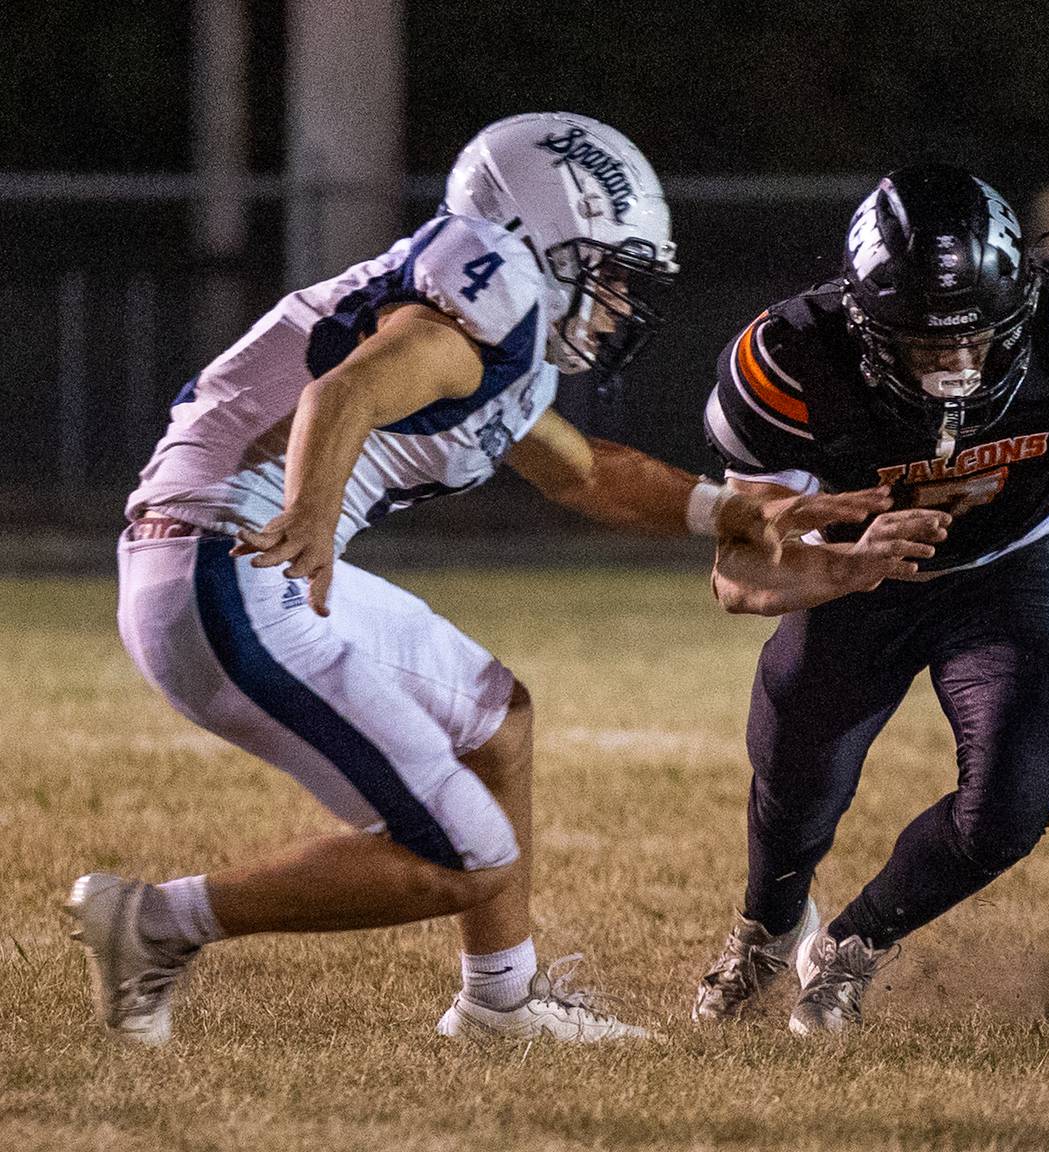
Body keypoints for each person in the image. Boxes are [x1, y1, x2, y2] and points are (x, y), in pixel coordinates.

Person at [66, 112, 879, 1048]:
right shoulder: (471, 309)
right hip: (230, 566)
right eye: (609, 273)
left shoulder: (495, 336)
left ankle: (502, 1001)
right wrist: (316, 514)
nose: (619, 302)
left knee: (498, 718)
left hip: (234, 559)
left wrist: (737, 513)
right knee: (466, 855)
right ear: (538, 239)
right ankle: (154, 924)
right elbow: (344, 393)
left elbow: (584, 471)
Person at [691, 163, 1049, 1035]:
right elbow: (739, 576)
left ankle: (851, 947)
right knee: (796, 786)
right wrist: (851, 566)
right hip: (850, 579)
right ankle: (771, 928)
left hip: (1008, 568)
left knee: (1015, 797)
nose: (959, 367)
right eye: (928, 344)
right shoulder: (790, 360)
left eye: (978, 336)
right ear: (862, 323)